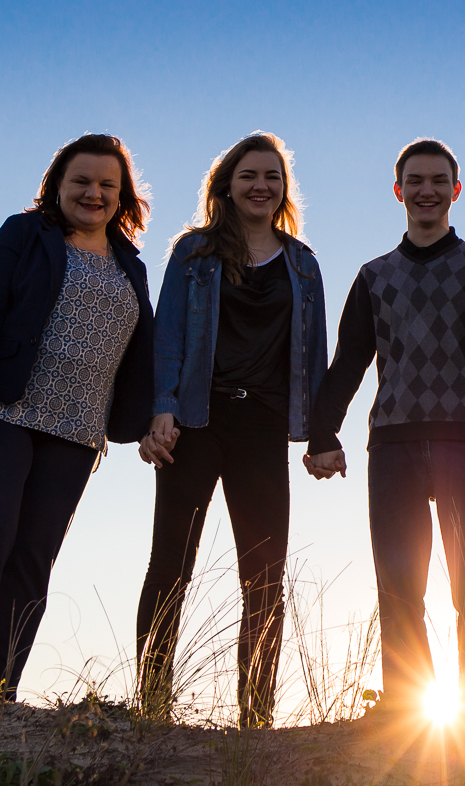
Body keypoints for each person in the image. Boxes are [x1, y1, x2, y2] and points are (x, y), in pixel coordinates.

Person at [304, 138, 465, 724]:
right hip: (393, 443)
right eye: (415, 181)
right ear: (398, 191)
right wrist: (323, 434)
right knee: (399, 584)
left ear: (456, 190)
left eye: (439, 180)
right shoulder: (374, 277)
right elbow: (347, 363)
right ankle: (403, 711)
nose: (427, 190)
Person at [0, 134, 154, 714]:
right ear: (57, 185)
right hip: (1, 412)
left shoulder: (130, 264)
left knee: (32, 558)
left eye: (107, 185)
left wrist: (147, 419)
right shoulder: (24, 234)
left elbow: (141, 350)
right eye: (81, 181)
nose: (93, 193)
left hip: (78, 428)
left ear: (122, 195)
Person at [135, 132, 327, 727]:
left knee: (264, 576)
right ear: (226, 185)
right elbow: (167, 335)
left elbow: (315, 357)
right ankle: (152, 705)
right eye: (249, 175)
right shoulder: (194, 254)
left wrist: (320, 435)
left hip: (262, 429)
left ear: (284, 189)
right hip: (197, 422)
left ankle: (256, 717)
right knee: (170, 565)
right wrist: (162, 408)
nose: (260, 186)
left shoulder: (302, 265)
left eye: (272, 176)